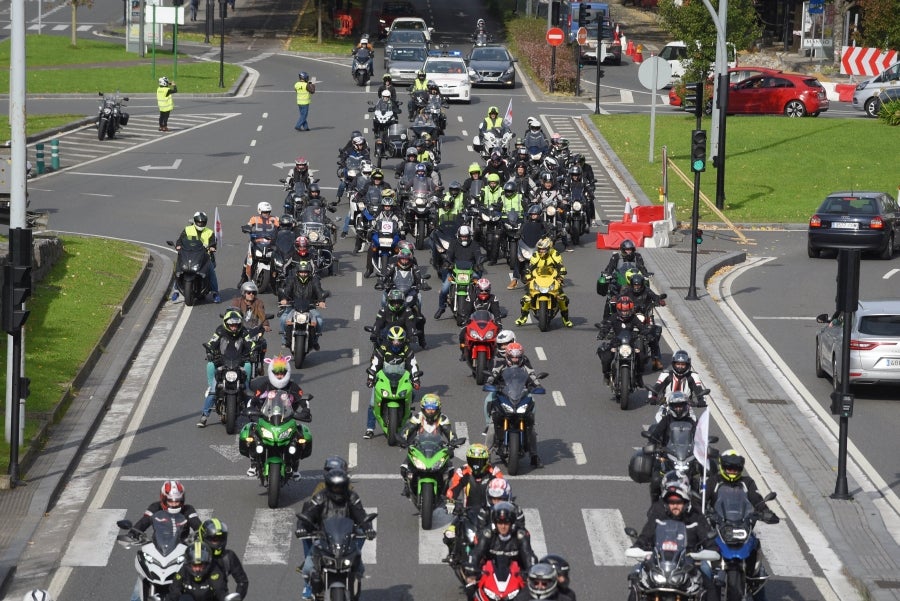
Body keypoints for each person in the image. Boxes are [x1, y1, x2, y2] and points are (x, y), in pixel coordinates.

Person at [628, 484, 720, 601]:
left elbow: (709, 541)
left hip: (689, 563)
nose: (675, 506)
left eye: (678, 502)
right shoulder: (658, 517)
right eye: (671, 502)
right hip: (659, 562)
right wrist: (637, 547)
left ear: (686, 503)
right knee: (636, 576)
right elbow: (645, 536)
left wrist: (708, 551)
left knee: (708, 578)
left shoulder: (696, 517)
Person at [295, 469, 375, 599]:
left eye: (340, 486)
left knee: (359, 568)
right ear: (328, 485)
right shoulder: (320, 498)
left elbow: (361, 515)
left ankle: (354, 589)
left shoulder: (352, 497)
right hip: (323, 540)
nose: (337, 490)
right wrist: (302, 527)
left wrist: (368, 528)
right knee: (308, 567)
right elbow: (308, 514)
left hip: (346, 541)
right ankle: (309, 589)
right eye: (335, 486)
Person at [245, 355, 312, 479]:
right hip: (266, 419)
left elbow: (303, 400)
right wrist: (250, 410)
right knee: (250, 433)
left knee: (302, 436)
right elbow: (253, 400)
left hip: (287, 420)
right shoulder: (265, 386)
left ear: (287, 373)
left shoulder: (293, 387)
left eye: (282, 373)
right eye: (276, 373)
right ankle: (253, 463)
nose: (279, 376)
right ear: (272, 373)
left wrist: (306, 411)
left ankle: (294, 466)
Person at [443, 443, 504, 562]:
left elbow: (503, 489)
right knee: (449, 534)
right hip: (466, 513)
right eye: (473, 461)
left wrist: (502, 506)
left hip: (490, 514)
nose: (476, 465)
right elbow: (454, 489)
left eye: (479, 461)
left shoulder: (494, 472)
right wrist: (451, 501)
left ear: (486, 461)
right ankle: (452, 554)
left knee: (503, 536)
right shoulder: (462, 472)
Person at [464, 501, 537, 601]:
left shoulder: (521, 535)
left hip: (516, 575)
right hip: (489, 573)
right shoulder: (487, 534)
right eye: (500, 523)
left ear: (512, 523)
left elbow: (528, 555)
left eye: (506, 523)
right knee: (470, 586)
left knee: (534, 588)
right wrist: (471, 569)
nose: (503, 526)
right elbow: (476, 552)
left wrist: (531, 572)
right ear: (495, 523)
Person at [487, 342, 544, 466]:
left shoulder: (525, 363)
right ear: (507, 356)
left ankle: (534, 456)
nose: (515, 359)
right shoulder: (501, 363)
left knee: (531, 429)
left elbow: (532, 375)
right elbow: (494, 374)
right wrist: (490, 380)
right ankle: (487, 455)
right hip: (503, 394)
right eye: (513, 357)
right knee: (491, 427)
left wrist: (537, 385)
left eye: (517, 357)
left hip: (521, 395)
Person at [363, 326, 422, 439]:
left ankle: (408, 422)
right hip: (384, 379)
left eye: (399, 340)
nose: (396, 343)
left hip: (401, 379)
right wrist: (370, 378)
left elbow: (413, 365)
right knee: (372, 403)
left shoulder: (407, 350)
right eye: (394, 340)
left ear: (403, 340)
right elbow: (375, 364)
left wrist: (416, 379)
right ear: (389, 340)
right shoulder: (383, 349)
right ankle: (370, 428)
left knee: (412, 395)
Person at [199, 309, 254, 427]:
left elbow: (251, 344)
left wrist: (253, 352)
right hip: (223, 364)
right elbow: (211, 343)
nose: (234, 327)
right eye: (231, 325)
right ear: (226, 324)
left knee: (246, 390)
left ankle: (252, 416)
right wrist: (210, 352)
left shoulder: (244, 332)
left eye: (236, 325)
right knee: (213, 391)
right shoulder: (220, 331)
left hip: (239, 363)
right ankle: (204, 416)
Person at [399, 393, 458, 496]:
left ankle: (445, 487)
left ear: (438, 409)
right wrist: (403, 439)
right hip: (419, 447)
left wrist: (453, 443)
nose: (430, 412)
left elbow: (450, 433)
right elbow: (407, 429)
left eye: (433, 409)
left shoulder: (443, 418)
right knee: (404, 468)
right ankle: (407, 485)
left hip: (437, 448)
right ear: (423, 408)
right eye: (428, 409)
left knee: (450, 468)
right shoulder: (418, 417)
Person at [515, 237, 572, 327]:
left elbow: (561, 266)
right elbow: (530, 267)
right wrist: (528, 276)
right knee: (526, 299)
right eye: (539, 249)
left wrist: (561, 276)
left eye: (543, 249)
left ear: (549, 248)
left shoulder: (555, 254)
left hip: (552, 278)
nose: (541, 251)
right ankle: (523, 317)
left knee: (563, 298)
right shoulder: (535, 255)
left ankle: (566, 319)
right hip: (538, 278)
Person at [596, 295, 650, 388]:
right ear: (618, 310)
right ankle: (606, 375)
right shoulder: (613, 317)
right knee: (606, 357)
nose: (624, 313)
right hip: (616, 342)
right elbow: (607, 326)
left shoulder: (633, 318)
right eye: (623, 311)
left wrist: (647, 334)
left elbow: (641, 327)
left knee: (642, 356)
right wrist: (602, 333)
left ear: (630, 310)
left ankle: (638, 376)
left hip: (630, 342)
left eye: (626, 311)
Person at [434, 225, 484, 319]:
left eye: (466, 236)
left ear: (469, 236)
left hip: (470, 271)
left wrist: (479, 263)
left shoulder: (474, 244)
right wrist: (448, 262)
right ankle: (441, 307)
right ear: (459, 236)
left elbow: (478, 255)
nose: (464, 238)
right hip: (455, 271)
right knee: (444, 289)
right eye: (462, 236)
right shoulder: (454, 243)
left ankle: (482, 307)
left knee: (481, 288)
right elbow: (449, 254)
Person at [279, 260, 328, 350]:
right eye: (301, 272)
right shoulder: (292, 280)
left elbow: (319, 291)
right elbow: (287, 290)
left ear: (309, 272)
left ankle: (315, 341)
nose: (303, 274)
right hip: (293, 307)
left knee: (319, 321)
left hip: (310, 307)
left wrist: (321, 301)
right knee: (283, 319)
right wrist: (284, 299)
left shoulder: (314, 280)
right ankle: (284, 341)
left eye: (305, 272)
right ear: (298, 272)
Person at [173, 211, 219, 303]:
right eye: (198, 222)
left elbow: (213, 243)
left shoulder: (209, 232)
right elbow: (180, 240)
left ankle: (215, 293)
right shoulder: (187, 229)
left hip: (205, 257)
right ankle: (176, 291)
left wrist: (212, 247)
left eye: (202, 222)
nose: (200, 224)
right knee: (178, 269)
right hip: (188, 255)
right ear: (194, 221)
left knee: (211, 271)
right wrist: (178, 245)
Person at [199, 518, 249, 600]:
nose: (218, 543)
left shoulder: (228, 557)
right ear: (204, 538)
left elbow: (242, 581)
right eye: (214, 539)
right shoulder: (193, 555)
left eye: (221, 538)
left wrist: (237, 598)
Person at [625, 273, 665, 370]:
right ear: (632, 285)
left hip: (644, 317)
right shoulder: (627, 291)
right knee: (619, 331)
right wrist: (615, 299)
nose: (637, 287)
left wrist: (659, 300)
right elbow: (620, 297)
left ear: (642, 285)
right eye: (635, 285)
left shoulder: (647, 291)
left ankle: (656, 360)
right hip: (630, 317)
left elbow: (655, 297)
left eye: (638, 285)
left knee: (655, 333)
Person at [458, 278, 504, 361]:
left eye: (486, 290)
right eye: (481, 290)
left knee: (502, 335)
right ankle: (463, 352)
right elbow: (466, 311)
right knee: (462, 333)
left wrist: (498, 322)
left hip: (489, 323)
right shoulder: (471, 297)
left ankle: (499, 352)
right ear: (477, 289)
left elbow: (496, 312)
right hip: (473, 323)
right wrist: (465, 319)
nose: (484, 292)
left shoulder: (493, 298)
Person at [165, 541, 229, 601]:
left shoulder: (214, 571)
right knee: (185, 598)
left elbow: (220, 591)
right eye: (195, 566)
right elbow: (174, 592)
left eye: (200, 565)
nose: (198, 569)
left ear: (207, 564)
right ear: (189, 564)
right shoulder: (183, 571)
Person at [240, 201, 279, 286]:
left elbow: (281, 227)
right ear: (259, 211)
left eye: (268, 212)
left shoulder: (275, 219)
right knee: (248, 259)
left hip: (270, 244)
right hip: (257, 243)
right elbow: (249, 225)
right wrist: (247, 228)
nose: (266, 214)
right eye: (264, 212)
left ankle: (277, 280)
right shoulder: (254, 218)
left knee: (278, 260)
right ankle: (243, 278)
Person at [232, 281, 270, 360]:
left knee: (263, 343)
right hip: (240, 329)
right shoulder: (237, 302)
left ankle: (261, 363)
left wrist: (265, 324)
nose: (251, 294)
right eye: (249, 293)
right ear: (243, 293)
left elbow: (262, 313)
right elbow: (232, 313)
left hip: (253, 330)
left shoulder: (258, 302)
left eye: (253, 293)